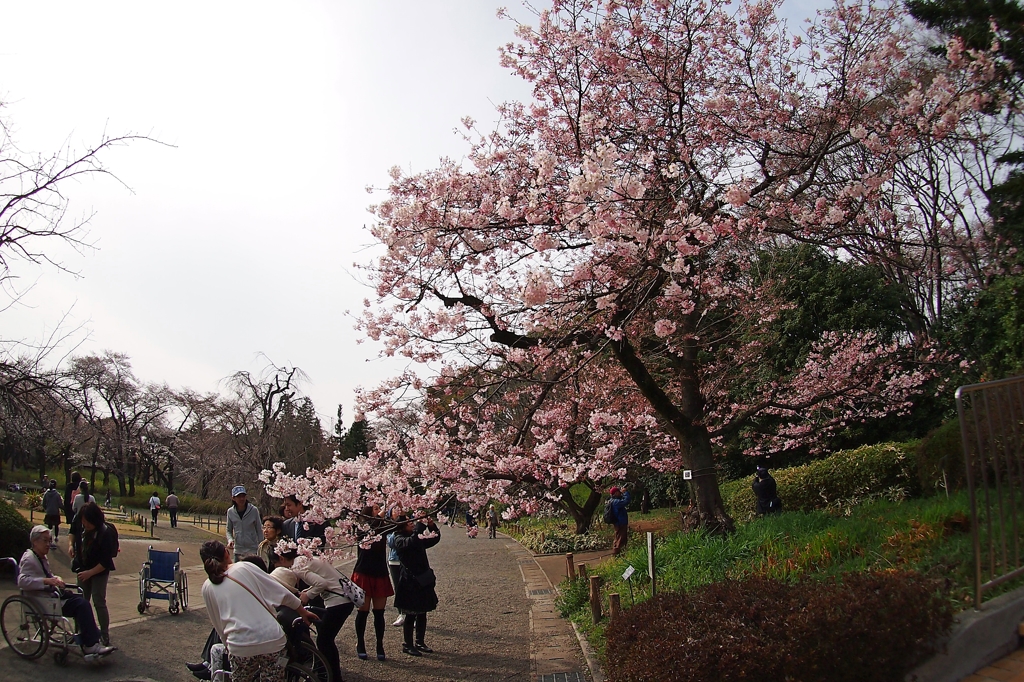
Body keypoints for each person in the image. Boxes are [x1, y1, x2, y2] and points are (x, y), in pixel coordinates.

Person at [200, 540, 318, 682]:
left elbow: (218, 623)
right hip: (271, 639)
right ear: (226, 553)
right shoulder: (244, 568)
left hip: (240, 644)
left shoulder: (207, 587)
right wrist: (302, 611)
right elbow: (278, 591)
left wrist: (228, 645)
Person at [18, 525, 115, 656]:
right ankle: (91, 645)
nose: (48, 544)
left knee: (81, 600)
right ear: (34, 541)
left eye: (49, 540)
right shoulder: (29, 558)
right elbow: (22, 581)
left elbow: (47, 575)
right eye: (45, 540)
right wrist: (47, 581)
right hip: (44, 600)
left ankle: (92, 639)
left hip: (51, 596)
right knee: (82, 605)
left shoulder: (40, 557)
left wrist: (55, 578)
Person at [274, 549, 354, 682]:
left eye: (275, 562)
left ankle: (332, 677)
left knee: (324, 641)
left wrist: (307, 596)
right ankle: (333, 675)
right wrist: (309, 590)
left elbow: (322, 583)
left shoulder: (297, 566)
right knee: (326, 640)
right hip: (343, 598)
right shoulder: (303, 559)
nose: (276, 566)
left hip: (338, 602)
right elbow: (322, 580)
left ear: (281, 559)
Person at [392, 513, 441, 656]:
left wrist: (431, 526)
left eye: (412, 521)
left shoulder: (415, 537)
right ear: (401, 526)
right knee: (410, 614)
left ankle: (420, 641)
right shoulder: (399, 539)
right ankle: (408, 644)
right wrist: (419, 525)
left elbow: (433, 539)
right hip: (410, 581)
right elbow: (412, 541)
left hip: (422, 579)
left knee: (422, 612)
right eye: (409, 522)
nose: (412, 523)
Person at [70, 501, 117, 646]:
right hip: (82, 567)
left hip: (99, 570)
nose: (85, 525)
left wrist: (90, 573)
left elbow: (105, 561)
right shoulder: (80, 523)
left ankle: (104, 634)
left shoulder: (104, 533)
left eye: (88, 523)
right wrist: (71, 545)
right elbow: (72, 532)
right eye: (83, 522)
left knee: (98, 601)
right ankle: (80, 631)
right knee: (81, 601)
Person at [351, 504, 394, 661]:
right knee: (363, 611)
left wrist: (401, 511)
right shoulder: (362, 527)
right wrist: (379, 518)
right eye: (375, 509)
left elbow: (399, 525)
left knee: (379, 613)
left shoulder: (382, 528)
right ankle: (360, 643)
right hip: (363, 572)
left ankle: (379, 645)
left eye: (379, 508)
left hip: (380, 572)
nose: (379, 511)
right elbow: (370, 529)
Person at [227, 485, 263, 561]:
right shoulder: (230, 512)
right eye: (239, 496)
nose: (242, 499)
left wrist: (261, 547)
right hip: (238, 550)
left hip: (252, 550)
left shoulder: (254, 510)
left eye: (243, 496)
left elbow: (259, 529)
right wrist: (230, 540)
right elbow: (228, 530)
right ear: (233, 498)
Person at [385, 508, 405, 627]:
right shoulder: (388, 528)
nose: (397, 512)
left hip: (407, 560)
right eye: (394, 510)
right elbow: (392, 543)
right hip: (394, 560)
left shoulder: (408, 524)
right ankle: (401, 614)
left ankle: (412, 615)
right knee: (398, 588)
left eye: (399, 509)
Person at [607, 484, 632, 556]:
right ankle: (617, 554)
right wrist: (625, 493)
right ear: (615, 493)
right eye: (618, 491)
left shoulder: (612, 501)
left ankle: (618, 552)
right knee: (620, 538)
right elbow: (626, 501)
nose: (620, 492)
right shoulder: (616, 502)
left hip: (618, 522)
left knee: (619, 537)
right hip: (620, 522)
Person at [42, 479, 64, 548]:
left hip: (49, 512)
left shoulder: (46, 493)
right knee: (56, 525)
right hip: (55, 512)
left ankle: (49, 538)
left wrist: (46, 508)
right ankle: (56, 537)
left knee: (49, 526)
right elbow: (60, 504)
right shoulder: (57, 494)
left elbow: (43, 503)